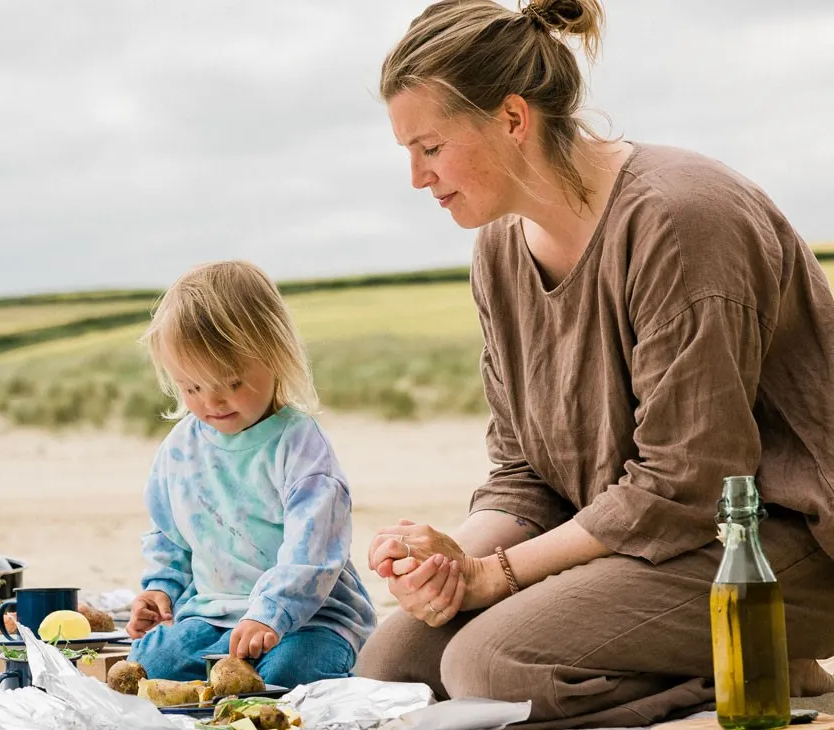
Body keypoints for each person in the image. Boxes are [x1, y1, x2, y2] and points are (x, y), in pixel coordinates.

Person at [355, 0, 834, 727]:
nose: (418, 177)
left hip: (772, 543)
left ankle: (760, 661)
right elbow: (523, 474)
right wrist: (456, 559)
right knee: (394, 669)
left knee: (491, 667)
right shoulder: (498, 252)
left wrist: (501, 576)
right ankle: (730, 655)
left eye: (429, 147)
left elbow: (687, 483)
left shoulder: (681, 217)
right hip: (647, 545)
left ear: (513, 119)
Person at [123, 260, 377, 690]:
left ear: (275, 356)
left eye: (232, 382)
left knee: (285, 673)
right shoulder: (180, 449)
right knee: (151, 662)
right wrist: (161, 590)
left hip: (310, 617)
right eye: (191, 387)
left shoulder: (299, 447)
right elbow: (169, 536)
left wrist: (270, 614)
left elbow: (313, 554)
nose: (212, 401)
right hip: (214, 613)